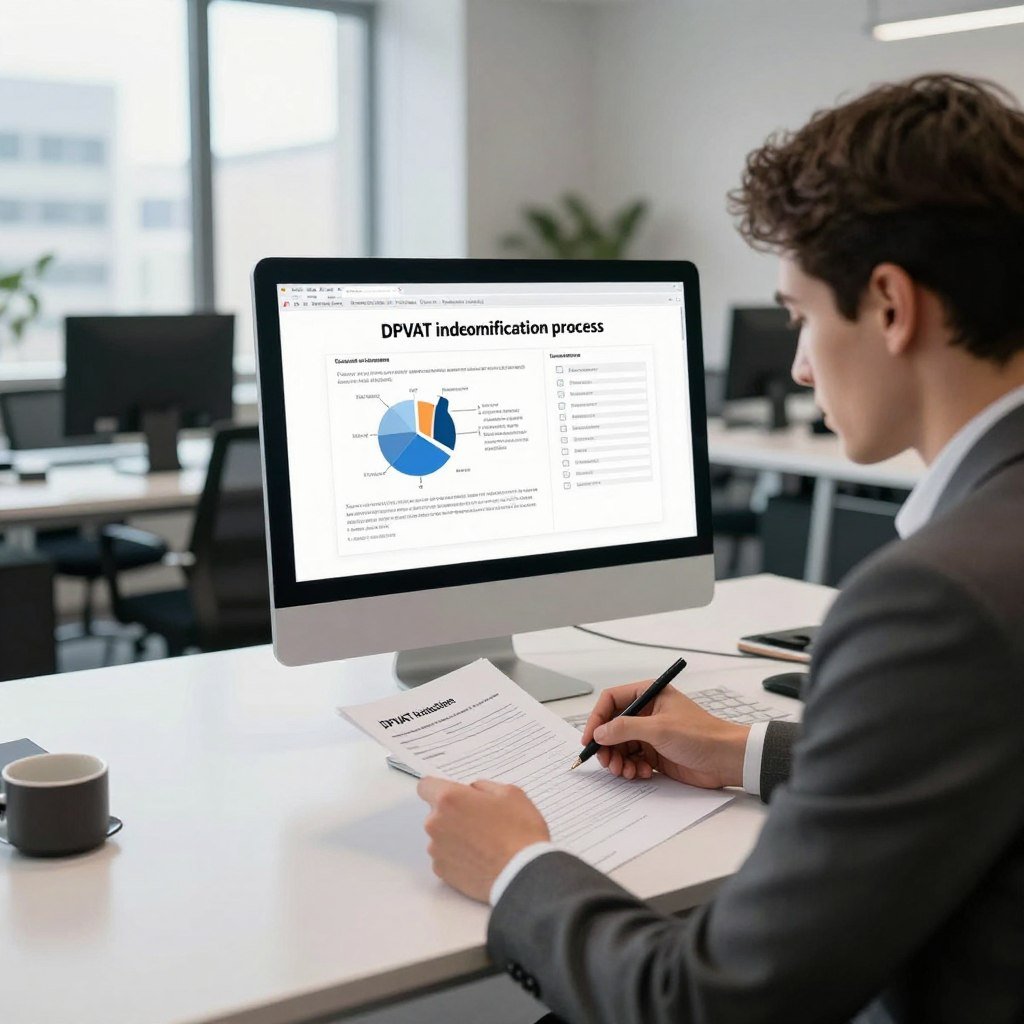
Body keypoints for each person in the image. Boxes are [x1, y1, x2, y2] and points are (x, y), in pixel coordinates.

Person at [416, 74, 1024, 1024]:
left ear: (891, 306)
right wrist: (741, 750)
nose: (796, 364)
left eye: (799, 316)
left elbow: (708, 1006)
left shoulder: (937, 600)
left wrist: (518, 867)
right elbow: (978, 757)